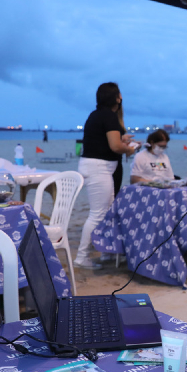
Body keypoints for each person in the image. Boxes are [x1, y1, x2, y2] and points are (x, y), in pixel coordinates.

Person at [74, 83, 138, 270]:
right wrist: (130, 149)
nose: (121, 97)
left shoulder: (96, 115)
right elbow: (115, 147)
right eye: (120, 95)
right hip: (98, 168)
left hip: (96, 167)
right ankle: (82, 256)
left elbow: (104, 140)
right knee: (98, 214)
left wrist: (122, 140)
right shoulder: (109, 116)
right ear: (116, 97)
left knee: (107, 211)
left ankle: (106, 250)